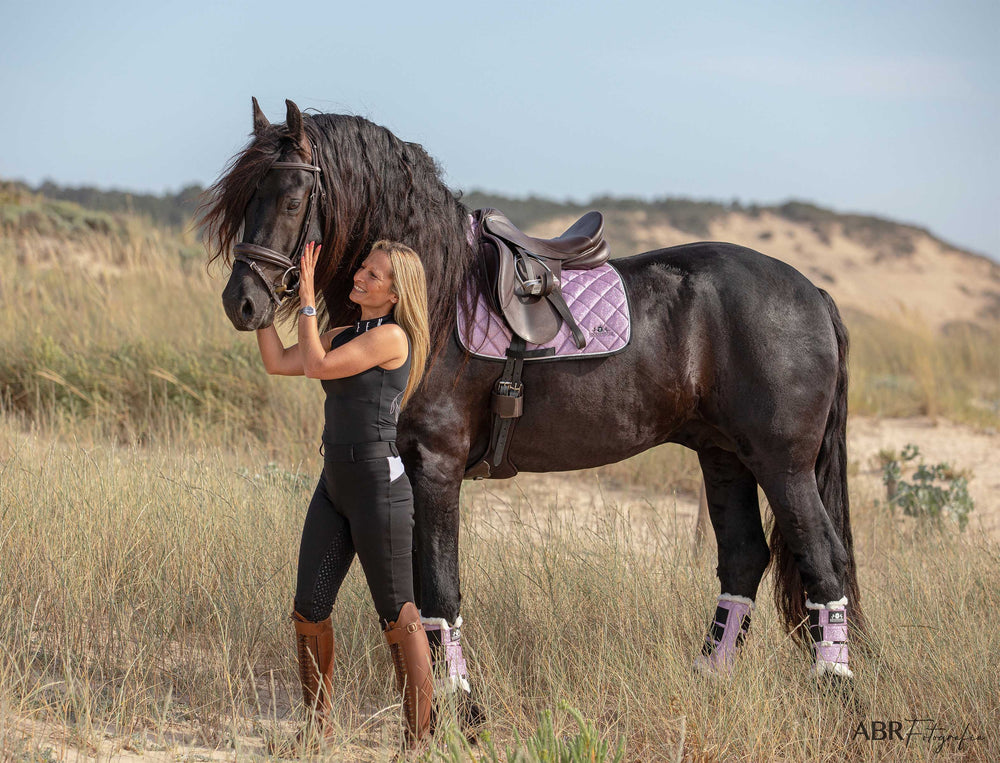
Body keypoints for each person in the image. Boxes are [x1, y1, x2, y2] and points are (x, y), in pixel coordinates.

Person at [255, 239, 433, 749]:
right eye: (363, 268)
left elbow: (316, 366)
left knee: (397, 615)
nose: (360, 276)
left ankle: (418, 744)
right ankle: (316, 734)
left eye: (374, 275)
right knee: (309, 606)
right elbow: (279, 362)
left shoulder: (393, 337)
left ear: (396, 292)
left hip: (379, 486)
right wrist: (264, 305)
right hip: (334, 483)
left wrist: (308, 299)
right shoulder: (342, 333)